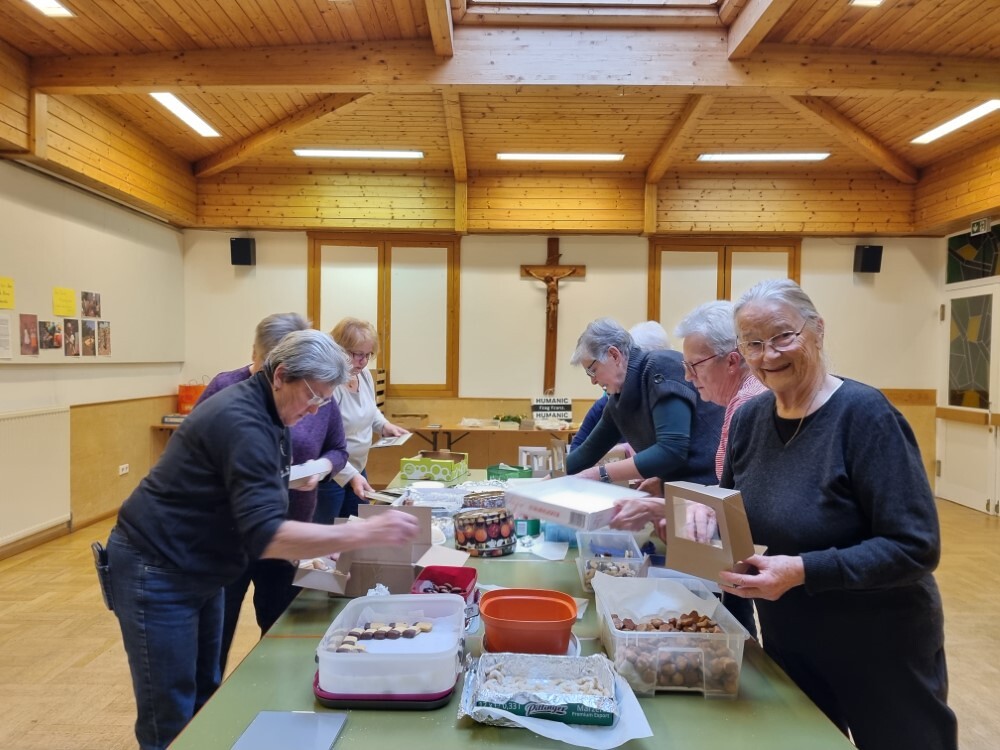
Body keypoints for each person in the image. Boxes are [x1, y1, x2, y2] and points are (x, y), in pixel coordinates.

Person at [105, 329, 420, 750]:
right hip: (157, 567)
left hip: (201, 561)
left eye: (325, 400)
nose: (315, 409)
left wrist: (322, 539)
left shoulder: (274, 412)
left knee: (205, 691)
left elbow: (263, 506)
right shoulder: (242, 420)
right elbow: (266, 535)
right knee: (170, 712)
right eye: (313, 396)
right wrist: (358, 532)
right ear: (281, 375)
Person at [718, 279, 956, 750]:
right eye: (753, 344)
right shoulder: (749, 420)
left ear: (818, 330)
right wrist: (696, 525)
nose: (769, 355)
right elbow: (733, 517)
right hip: (790, 641)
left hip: (881, 648)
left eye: (783, 336)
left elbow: (915, 546)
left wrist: (804, 570)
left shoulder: (865, 416)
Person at [193, 313, 350, 673]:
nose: (313, 407)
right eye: (310, 396)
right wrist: (351, 535)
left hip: (287, 531)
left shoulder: (315, 392)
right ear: (277, 368)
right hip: (229, 539)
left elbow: (338, 449)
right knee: (212, 642)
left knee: (283, 632)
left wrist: (322, 466)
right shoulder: (232, 395)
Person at [672, 299, 768, 638]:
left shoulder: (748, 404)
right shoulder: (740, 400)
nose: (688, 376)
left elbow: (747, 498)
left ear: (731, 361)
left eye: (694, 365)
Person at [565, 318, 723, 493]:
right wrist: (551, 477)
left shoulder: (660, 367)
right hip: (685, 490)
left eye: (592, 371)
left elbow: (671, 450)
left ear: (614, 355)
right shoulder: (618, 398)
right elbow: (587, 452)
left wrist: (599, 474)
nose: (593, 381)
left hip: (712, 489)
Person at [313, 317, 408, 522]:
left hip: (357, 468)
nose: (363, 361)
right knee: (329, 533)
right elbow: (322, 442)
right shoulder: (328, 384)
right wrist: (350, 475)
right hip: (330, 475)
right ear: (339, 349)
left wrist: (384, 425)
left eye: (368, 355)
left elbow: (371, 409)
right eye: (357, 354)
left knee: (355, 527)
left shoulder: (363, 376)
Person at [571, 321, 672, 450]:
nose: (593, 381)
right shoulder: (611, 402)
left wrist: (620, 453)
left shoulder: (665, 395)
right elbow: (581, 450)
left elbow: (669, 450)